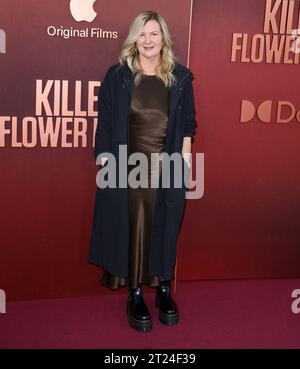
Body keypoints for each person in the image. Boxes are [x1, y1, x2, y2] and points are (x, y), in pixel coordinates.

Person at [88, 10, 196, 332]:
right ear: (134, 39)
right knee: (133, 229)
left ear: (164, 38)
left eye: (154, 33)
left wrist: (184, 163)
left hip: (168, 164)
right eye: (142, 34)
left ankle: (163, 287)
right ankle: (135, 292)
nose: (148, 40)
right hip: (127, 167)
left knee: (165, 226)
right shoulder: (117, 76)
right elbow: (105, 120)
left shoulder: (181, 77)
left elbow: (189, 124)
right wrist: (105, 160)